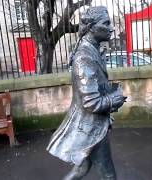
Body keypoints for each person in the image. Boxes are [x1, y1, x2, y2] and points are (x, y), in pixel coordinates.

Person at [46, 6, 126, 180]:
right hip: (92, 128)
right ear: (91, 28)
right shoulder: (84, 58)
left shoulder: (92, 50)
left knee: (80, 170)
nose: (111, 28)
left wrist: (109, 90)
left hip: (88, 126)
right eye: (106, 23)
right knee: (109, 175)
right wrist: (115, 100)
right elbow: (91, 103)